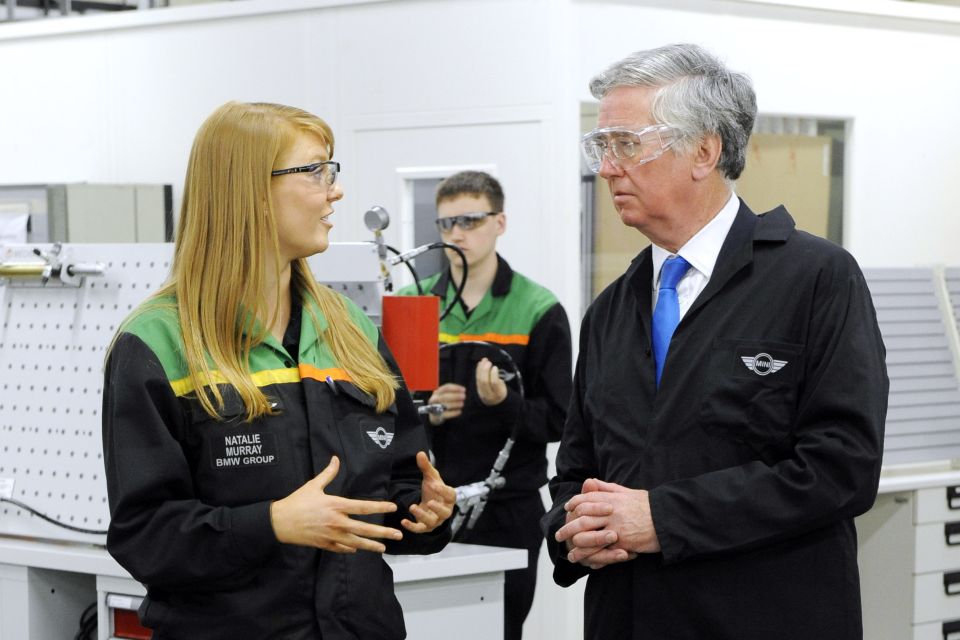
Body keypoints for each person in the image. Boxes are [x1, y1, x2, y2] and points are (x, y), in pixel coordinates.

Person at [542, 44, 888, 640]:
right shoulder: (610, 311)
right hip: (626, 617)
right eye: (601, 147)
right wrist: (572, 532)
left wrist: (664, 517)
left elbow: (841, 467)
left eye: (626, 143)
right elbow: (576, 469)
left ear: (704, 150)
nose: (606, 168)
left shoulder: (815, 279)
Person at [102, 101, 456, 640]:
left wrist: (424, 513)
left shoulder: (349, 330)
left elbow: (401, 480)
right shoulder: (158, 344)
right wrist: (270, 525)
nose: (335, 190)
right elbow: (145, 537)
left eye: (331, 170)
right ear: (249, 193)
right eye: (314, 170)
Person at [397, 170, 572, 640]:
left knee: (499, 630)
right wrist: (424, 406)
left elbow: (559, 420)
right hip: (423, 505)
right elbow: (383, 411)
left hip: (506, 509)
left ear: (501, 222)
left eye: (471, 221)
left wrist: (503, 403)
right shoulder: (413, 303)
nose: (456, 234)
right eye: (446, 224)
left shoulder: (537, 308)